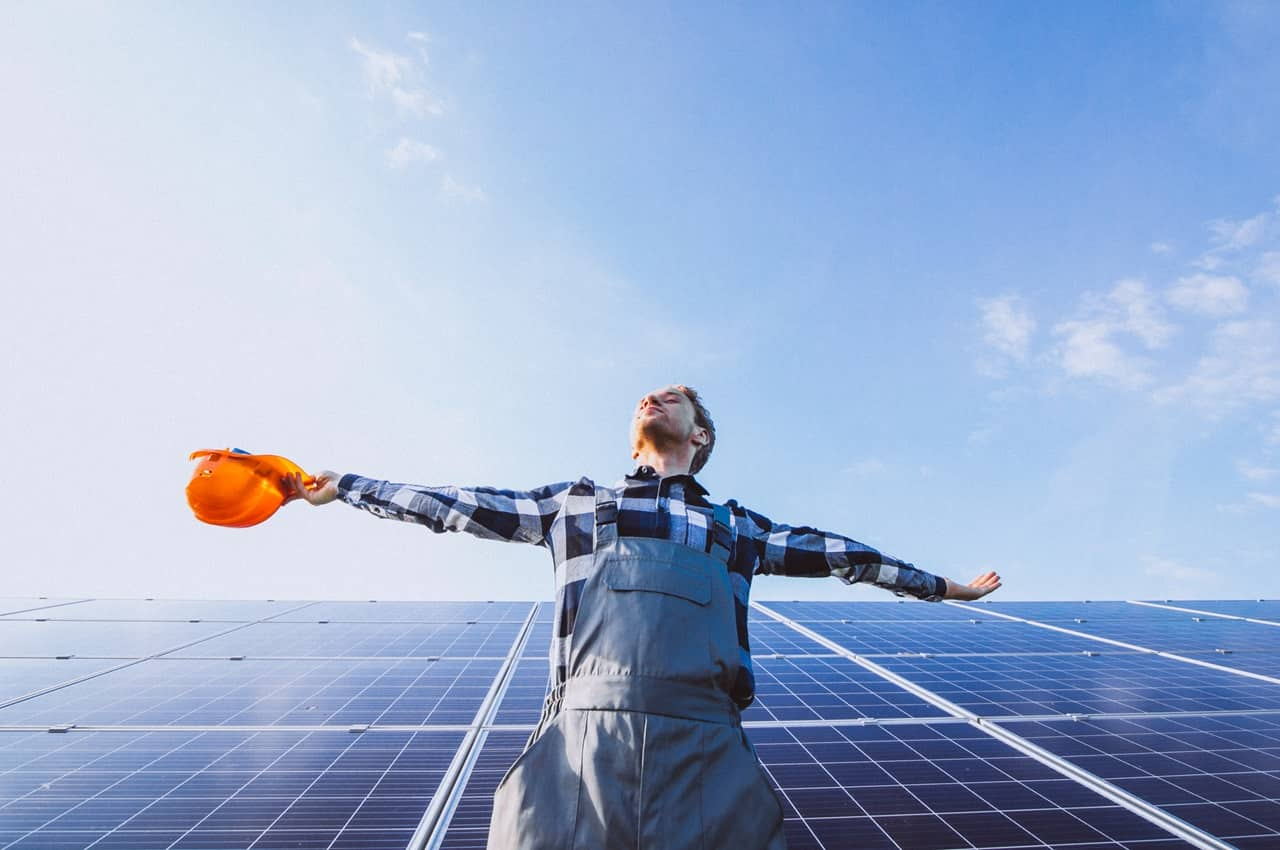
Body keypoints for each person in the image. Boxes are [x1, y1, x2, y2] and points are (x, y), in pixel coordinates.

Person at [290, 384, 1001, 850]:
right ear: (635, 440)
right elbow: (454, 504)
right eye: (648, 398)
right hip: (574, 750)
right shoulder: (569, 505)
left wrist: (943, 587)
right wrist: (346, 486)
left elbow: (848, 555)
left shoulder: (738, 529)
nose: (655, 397)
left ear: (701, 437)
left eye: (678, 398)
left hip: (708, 754)